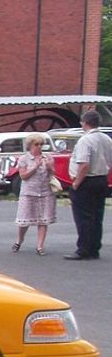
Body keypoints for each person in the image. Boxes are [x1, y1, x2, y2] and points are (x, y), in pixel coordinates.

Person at [64, 110, 112, 260]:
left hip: (87, 180)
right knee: (97, 216)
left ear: (85, 122)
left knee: (83, 216)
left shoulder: (85, 140)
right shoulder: (106, 139)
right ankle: (94, 248)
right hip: (101, 178)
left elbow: (84, 164)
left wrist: (76, 183)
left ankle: (83, 249)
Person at [12, 134, 56, 255]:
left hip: (45, 191)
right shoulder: (24, 159)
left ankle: (40, 246)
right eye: (36, 144)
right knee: (24, 220)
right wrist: (35, 166)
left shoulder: (47, 157)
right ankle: (19, 240)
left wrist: (49, 167)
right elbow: (23, 176)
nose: (39, 147)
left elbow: (53, 174)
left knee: (43, 220)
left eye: (41, 144)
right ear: (30, 145)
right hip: (29, 192)